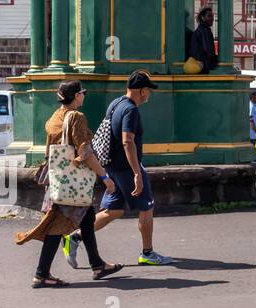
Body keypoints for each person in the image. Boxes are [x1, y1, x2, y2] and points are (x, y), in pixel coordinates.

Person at [17, 80, 123, 287]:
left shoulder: (55, 117)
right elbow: (85, 152)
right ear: (76, 96)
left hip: (58, 180)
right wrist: (104, 177)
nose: (84, 96)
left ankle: (97, 264)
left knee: (87, 218)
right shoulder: (76, 117)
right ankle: (41, 274)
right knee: (57, 226)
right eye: (82, 92)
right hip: (73, 183)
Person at [89, 70, 173, 265]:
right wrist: (137, 173)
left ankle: (74, 236)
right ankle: (147, 253)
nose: (149, 94)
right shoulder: (131, 110)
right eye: (149, 90)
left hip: (112, 166)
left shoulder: (116, 103)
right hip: (127, 168)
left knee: (114, 210)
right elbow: (128, 141)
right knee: (146, 207)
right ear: (142, 91)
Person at [188, 7, 218, 73]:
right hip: (204, 67)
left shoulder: (201, 30)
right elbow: (207, 50)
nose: (212, 19)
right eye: (209, 16)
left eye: (212, 16)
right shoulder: (204, 31)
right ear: (203, 17)